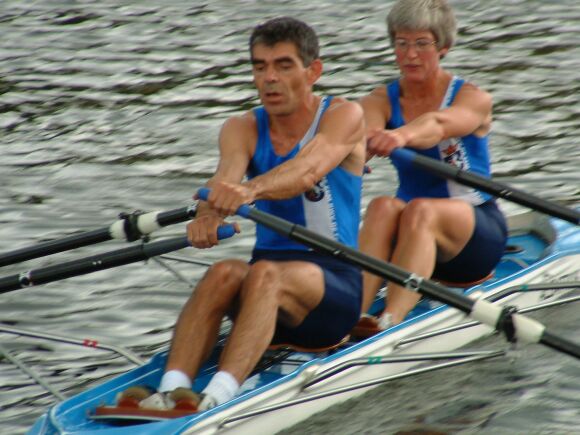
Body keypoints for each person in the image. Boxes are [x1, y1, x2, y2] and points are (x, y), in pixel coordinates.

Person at [117, 17, 366, 412]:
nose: (269, 78)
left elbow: (308, 170)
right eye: (259, 66)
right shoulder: (242, 127)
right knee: (224, 272)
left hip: (333, 289)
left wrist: (250, 190)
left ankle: (216, 399)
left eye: (283, 65)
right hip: (263, 291)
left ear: (313, 71)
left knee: (264, 272)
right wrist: (206, 217)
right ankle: (172, 391)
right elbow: (225, 179)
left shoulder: (344, 115)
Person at [358, 0, 507, 328]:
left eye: (422, 43)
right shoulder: (380, 100)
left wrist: (399, 136)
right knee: (382, 206)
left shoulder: (473, 98)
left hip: (475, 236)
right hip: (412, 236)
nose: (410, 54)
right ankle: (354, 316)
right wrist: (356, 153)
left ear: (443, 47)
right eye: (402, 43)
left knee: (420, 210)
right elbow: (360, 135)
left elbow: (437, 125)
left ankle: (390, 322)